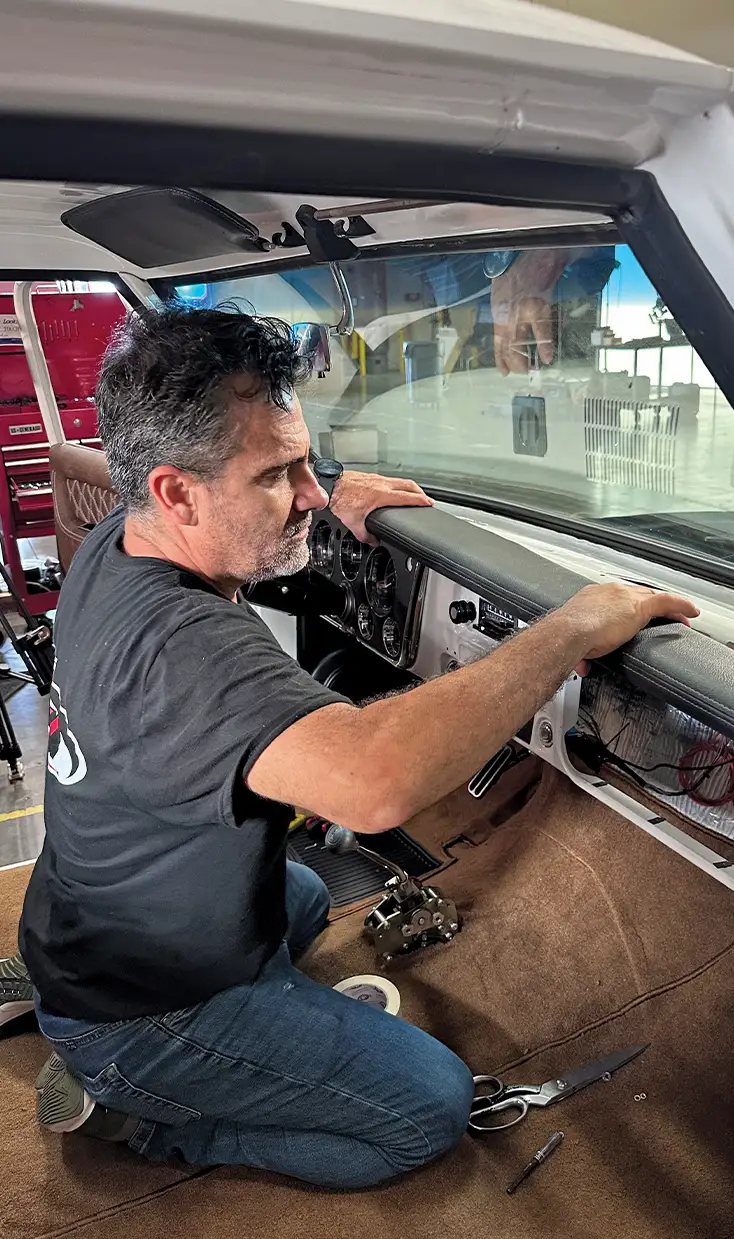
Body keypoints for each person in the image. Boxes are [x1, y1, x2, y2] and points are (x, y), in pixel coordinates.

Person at [3, 306, 697, 1189]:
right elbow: (374, 783)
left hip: (91, 921)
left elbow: (189, 490)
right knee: (427, 1110)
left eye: (304, 460)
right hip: (141, 1004)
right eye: (279, 475)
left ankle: (83, 1006)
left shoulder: (120, 537)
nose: (312, 497)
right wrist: (571, 629)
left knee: (293, 896)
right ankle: (147, 1118)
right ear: (176, 492)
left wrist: (325, 490)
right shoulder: (187, 651)